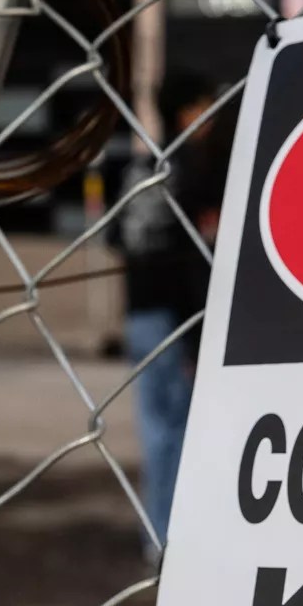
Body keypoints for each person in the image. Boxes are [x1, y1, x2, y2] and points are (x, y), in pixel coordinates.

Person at [118, 80, 223, 550]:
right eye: (202, 107)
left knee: (155, 428)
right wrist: (196, 338)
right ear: (185, 114)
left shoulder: (138, 168)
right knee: (179, 431)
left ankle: (153, 535)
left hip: (137, 309)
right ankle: (171, 538)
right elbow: (192, 261)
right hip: (173, 316)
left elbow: (117, 240)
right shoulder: (188, 173)